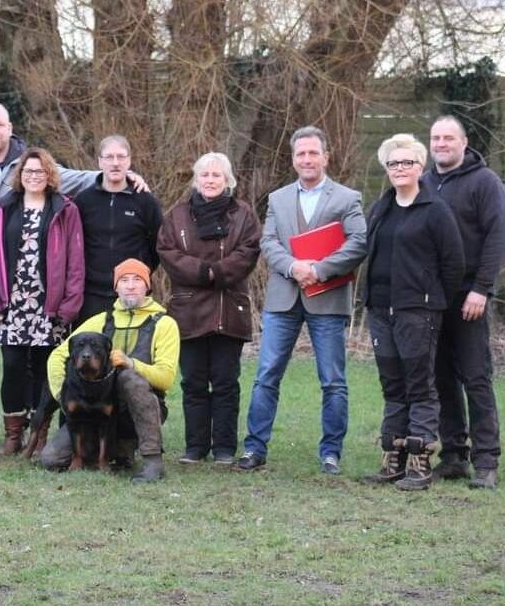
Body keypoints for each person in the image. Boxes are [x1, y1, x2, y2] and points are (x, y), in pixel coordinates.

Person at [0, 103, 149, 413]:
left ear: (10, 128)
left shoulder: (44, 180)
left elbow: (88, 179)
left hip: (42, 300)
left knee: (37, 366)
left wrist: (125, 173)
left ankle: (34, 428)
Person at [235, 126, 366, 475]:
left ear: (326, 156)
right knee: (266, 376)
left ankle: (331, 453)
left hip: (328, 298)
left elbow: (357, 243)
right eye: (300, 154)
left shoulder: (347, 198)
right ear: (293, 159)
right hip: (284, 299)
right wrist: (294, 267)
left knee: (333, 381)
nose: (307, 159)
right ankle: (254, 448)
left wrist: (319, 270)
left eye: (313, 153)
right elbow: (269, 242)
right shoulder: (278, 199)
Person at [360, 134, 464, 491]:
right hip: (380, 311)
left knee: (419, 384)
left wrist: (430, 299)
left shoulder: (435, 210)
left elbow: (453, 265)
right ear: (386, 169)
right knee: (392, 384)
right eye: (393, 163)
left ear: (420, 167)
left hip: (417, 312)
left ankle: (420, 460)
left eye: (407, 163)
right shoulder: (381, 208)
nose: (400, 169)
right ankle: (394, 454)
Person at [424, 115, 505, 489]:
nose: (441, 144)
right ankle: (454, 455)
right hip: (433, 298)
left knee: (475, 377)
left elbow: (498, 237)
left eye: (448, 138)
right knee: (441, 378)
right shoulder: (425, 182)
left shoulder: (485, 183)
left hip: (468, 297)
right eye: (435, 138)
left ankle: (486, 461)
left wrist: (482, 288)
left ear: (464, 142)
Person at [157, 152, 261, 465]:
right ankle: (195, 447)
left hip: (227, 309)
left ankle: (225, 448)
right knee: (193, 383)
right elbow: (167, 252)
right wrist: (205, 272)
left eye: (217, 175)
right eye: (205, 175)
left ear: (227, 180)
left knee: (227, 382)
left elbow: (248, 251)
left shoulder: (243, 214)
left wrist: (219, 272)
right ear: (196, 179)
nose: (211, 180)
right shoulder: (177, 215)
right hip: (188, 312)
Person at [0, 147, 85, 456]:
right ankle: (13, 435)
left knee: (44, 370)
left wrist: (68, 307)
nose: (34, 177)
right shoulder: (3, 208)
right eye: (28, 172)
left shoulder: (65, 210)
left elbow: (76, 263)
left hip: (48, 306)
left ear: (49, 175)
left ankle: (40, 435)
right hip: (12, 306)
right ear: (20, 176)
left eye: (39, 172)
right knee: (12, 367)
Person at [42, 259, 180, 484]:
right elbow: (58, 356)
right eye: (124, 280)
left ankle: (152, 459)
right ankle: (116, 450)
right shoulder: (101, 320)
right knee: (51, 459)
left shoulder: (164, 324)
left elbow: (166, 378)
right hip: (93, 409)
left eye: (137, 280)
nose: (131, 285)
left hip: (142, 408)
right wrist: (63, 397)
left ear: (147, 286)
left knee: (128, 378)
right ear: (116, 287)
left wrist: (130, 363)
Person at [73, 135, 164, 325]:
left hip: (133, 294)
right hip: (91, 295)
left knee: (130, 354)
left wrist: (139, 274)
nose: (115, 163)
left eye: (121, 157)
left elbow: (158, 245)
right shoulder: (83, 201)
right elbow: (74, 246)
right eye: (109, 157)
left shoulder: (145, 201)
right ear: (100, 162)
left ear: (129, 161)